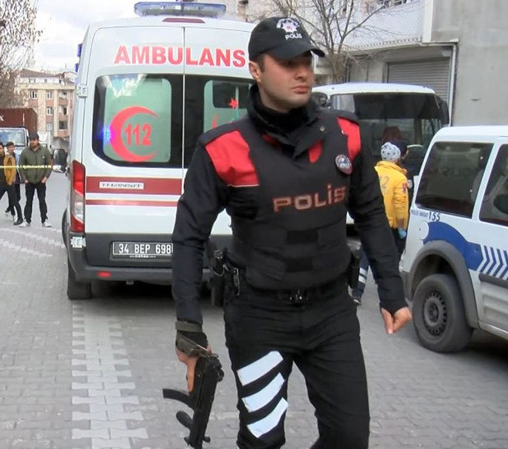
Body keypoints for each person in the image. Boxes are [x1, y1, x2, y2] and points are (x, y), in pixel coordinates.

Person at [171, 17, 412, 449]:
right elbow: (189, 237)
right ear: (256, 70)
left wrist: (392, 292)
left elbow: (372, 214)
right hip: (259, 319)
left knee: (349, 437)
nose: (302, 71)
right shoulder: (221, 149)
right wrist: (190, 328)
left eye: (306, 60)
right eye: (286, 62)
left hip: (332, 314)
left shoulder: (348, 136)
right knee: (263, 441)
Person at [352, 142, 410, 305]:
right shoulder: (400, 178)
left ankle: (357, 293)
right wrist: (401, 227)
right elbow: (400, 205)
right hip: (389, 225)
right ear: (397, 157)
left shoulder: (373, 171)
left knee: (365, 258)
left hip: (369, 221)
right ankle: (391, 298)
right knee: (389, 259)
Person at [0, 142, 24, 226]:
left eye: (0, 148)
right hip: (0, 183)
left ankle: (20, 218)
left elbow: (13, 170)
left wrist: (10, 181)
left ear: (3, 149)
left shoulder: (9, 158)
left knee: (15, 201)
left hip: (9, 183)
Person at [18, 132, 53, 227]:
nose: (32, 142)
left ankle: (44, 220)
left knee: (42, 201)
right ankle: (27, 220)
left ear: (38, 140)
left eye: (34, 140)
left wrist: (46, 177)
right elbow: (20, 166)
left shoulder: (45, 151)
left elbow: (49, 165)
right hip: (29, 181)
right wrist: (24, 179)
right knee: (28, 201)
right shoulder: (25, 152)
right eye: (31, 140)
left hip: (41, 180)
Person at [4, 141, 22, 219]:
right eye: (9, 148)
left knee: (18, 197)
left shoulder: (17, 156)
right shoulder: (6, 157)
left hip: (16, 178)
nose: (11, 149)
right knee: (11, 196)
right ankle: (13, 213)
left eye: (12, 147)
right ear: (7, 149)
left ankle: (9, 207)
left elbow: (19, 166)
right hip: (9, 179)